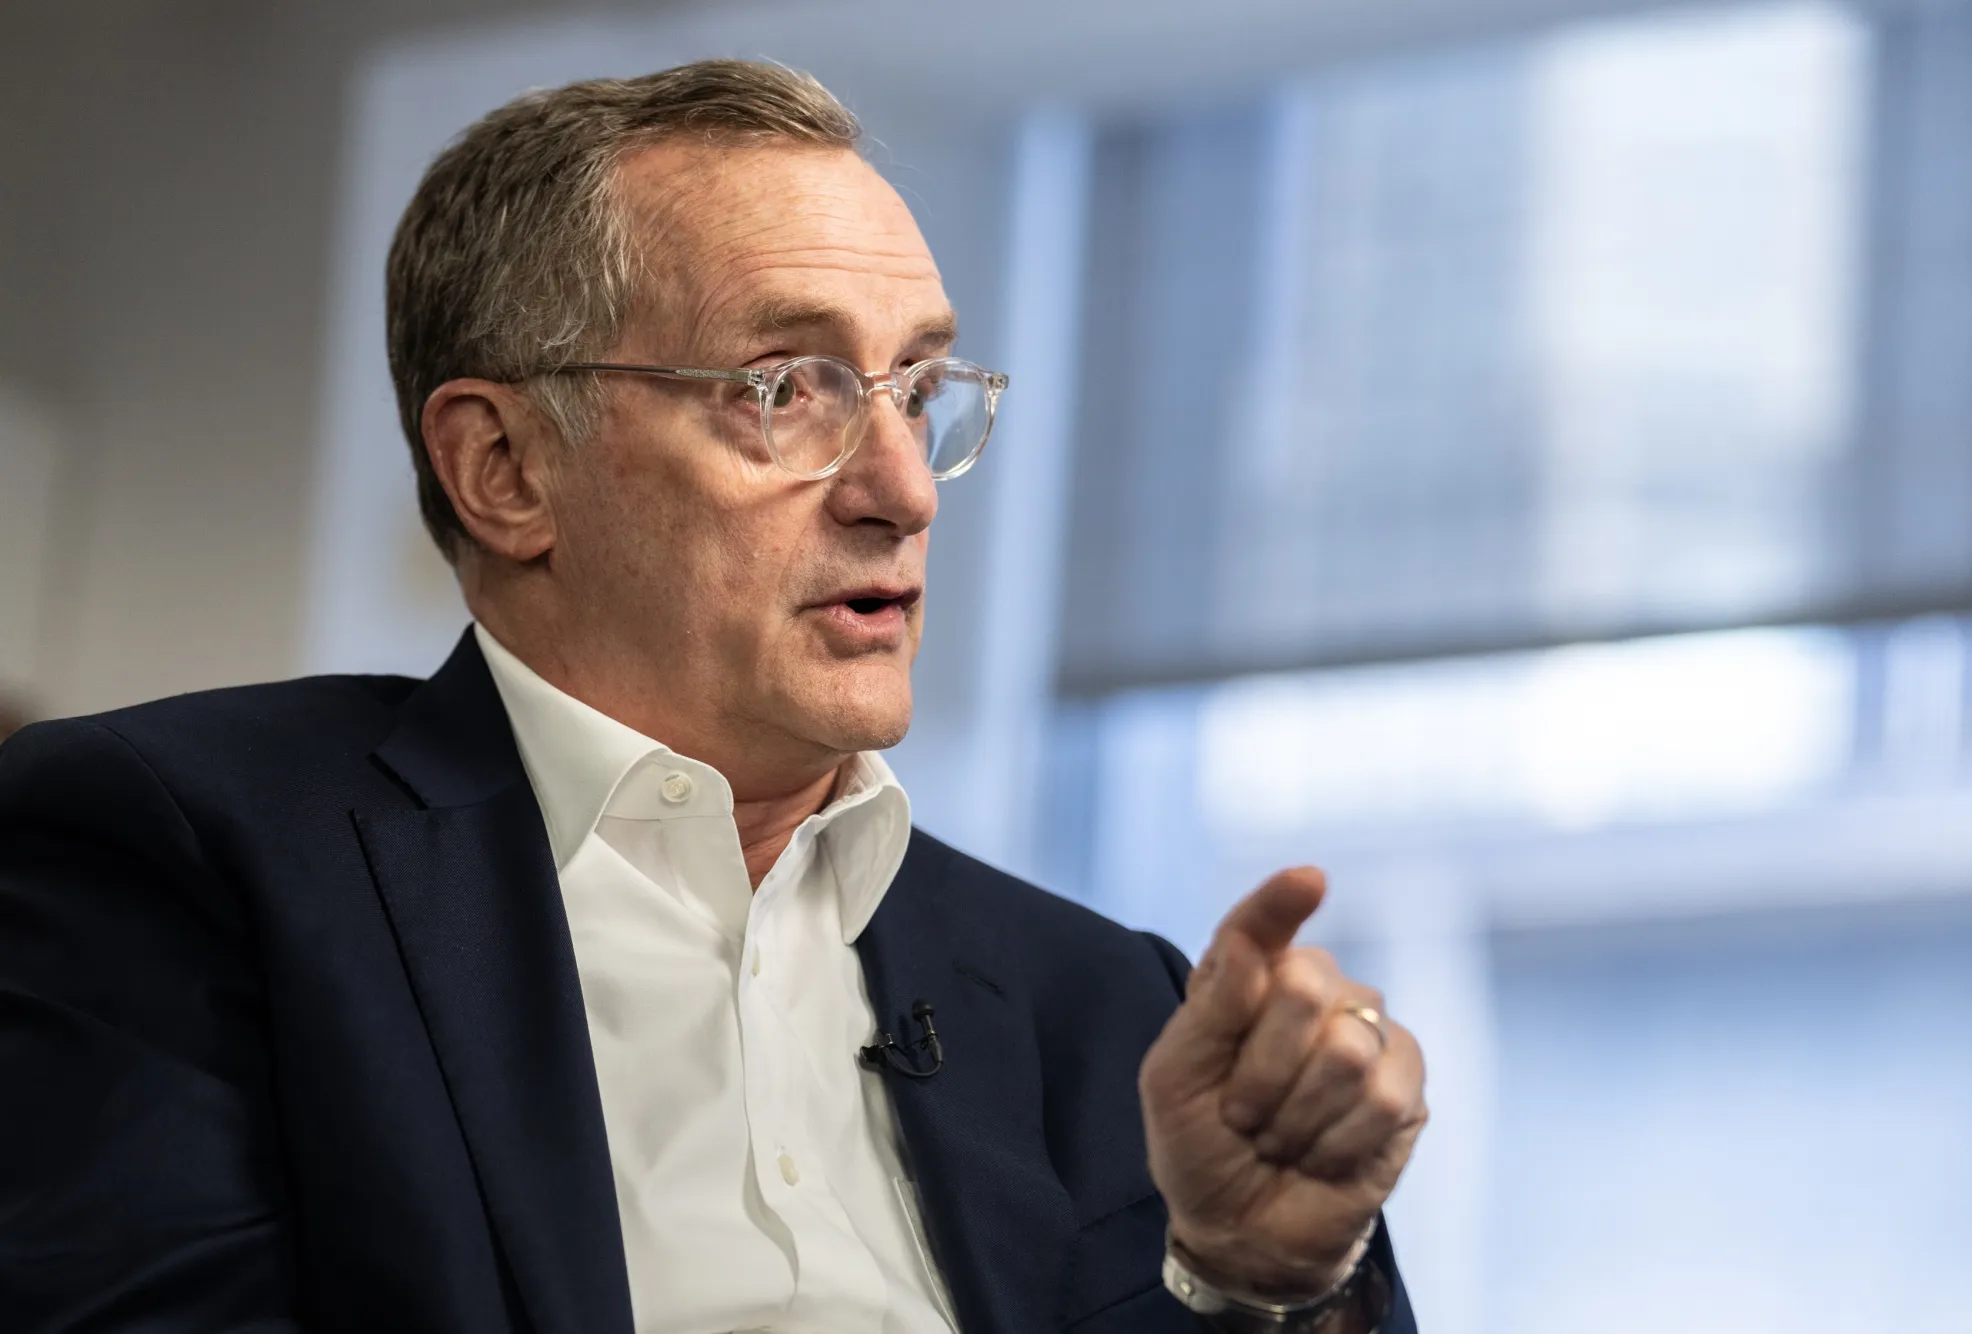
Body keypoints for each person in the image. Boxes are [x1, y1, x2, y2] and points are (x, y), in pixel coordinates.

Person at [0, 61, 1425, 1334]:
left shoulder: (1111, 1007)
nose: (905, 490)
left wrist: (1259, 1287)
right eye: (784, 387)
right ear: (505, 468)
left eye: (918, 389)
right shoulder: (182, 853)